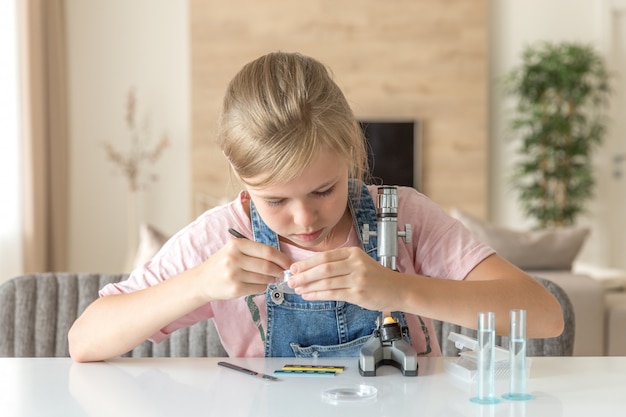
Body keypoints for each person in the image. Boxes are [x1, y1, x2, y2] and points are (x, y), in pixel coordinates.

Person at [68, 52, 564, 362]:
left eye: (325, 190)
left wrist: (402, 289)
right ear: (238, 172)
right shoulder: (221, 237)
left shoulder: (403, 216)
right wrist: (198, 283)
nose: (305, 220)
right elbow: (85, 341)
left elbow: (545, 316)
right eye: (276, 200)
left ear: (351, 146)